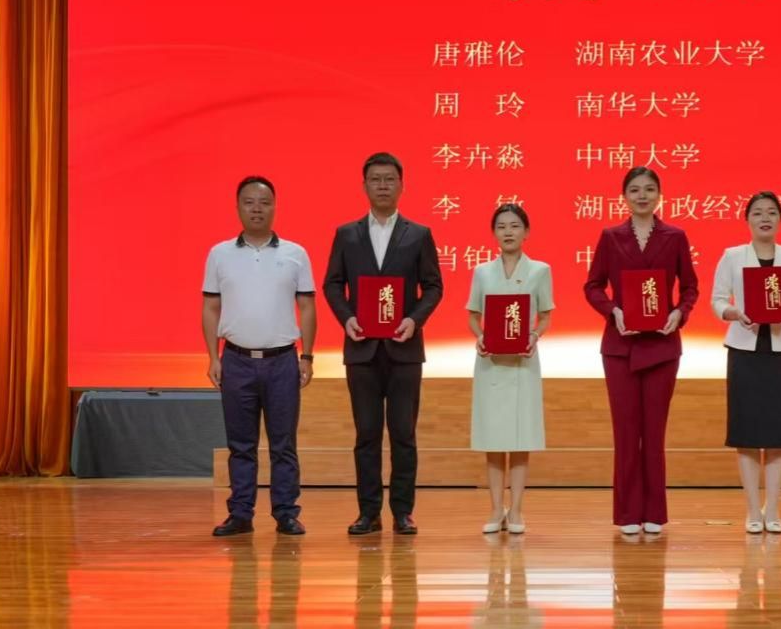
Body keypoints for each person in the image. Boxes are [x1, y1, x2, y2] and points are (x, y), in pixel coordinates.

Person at [323, 152, 444, 536]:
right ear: (364, 186)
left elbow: (434, 286)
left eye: (389, 179)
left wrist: (414, 319)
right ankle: (368, 512)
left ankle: (403, 512)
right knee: (367, 435)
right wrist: (347, 318)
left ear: (401, 186)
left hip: (404, 348)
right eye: (375, 179)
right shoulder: (347, 234)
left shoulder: (418, 234)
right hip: (361, 349)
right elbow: (332, 284)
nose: (382, 186)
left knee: (404, 435)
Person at [584, 166, 698, 535]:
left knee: (654, 433)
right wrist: (613, 311)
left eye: (649, 189)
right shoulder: (611, 236)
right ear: (624, 197)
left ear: (660, 195)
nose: (642, 195)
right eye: (635, 190)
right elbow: (593, 285)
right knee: (625, 432)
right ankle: (628, 513)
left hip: (662, 346)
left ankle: (654, 512)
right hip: (620, 347)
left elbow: (690, 287)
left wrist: (679, 313)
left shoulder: (675, 236)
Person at [202, 175, 316, 536]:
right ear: (238, 207)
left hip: (282, 360)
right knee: (241, 445)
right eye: (249, 202)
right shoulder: (219, 254)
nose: (256, 209)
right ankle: (240, 513)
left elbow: (307, 307)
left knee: (284, 444)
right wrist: (213, 357)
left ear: (275, 207)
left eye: (264, 203)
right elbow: (210, 307)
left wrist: (307, 356)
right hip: (235, 360)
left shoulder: (295, 254)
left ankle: (286, 512)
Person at [711, 191, 781, 534]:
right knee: (748, 433)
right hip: (744, 351)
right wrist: (734, 312)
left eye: (771, 212)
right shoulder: (732, 256)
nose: (765, 218)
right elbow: (717, 300)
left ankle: (773, 509)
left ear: (780, 219)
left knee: (777, 434)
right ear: (747, 220)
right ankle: (753, 510)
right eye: (757, 213)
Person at [466, 204, 554, 535]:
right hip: (490, 363)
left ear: (526, 232)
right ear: (494, 233)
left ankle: (516, 509)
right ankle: (495, 508)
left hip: (522, 363)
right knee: (493, 438)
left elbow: (545, 315)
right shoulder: (482, 272)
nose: (508, 232)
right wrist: (480, 336)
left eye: (515, 225)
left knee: (520, 437)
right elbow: (473, 315)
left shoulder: (540, 270)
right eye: (501, 226)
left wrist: (534, 335)